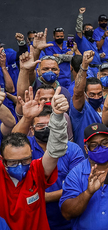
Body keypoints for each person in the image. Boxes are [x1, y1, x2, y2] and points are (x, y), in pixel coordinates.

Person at [12, 86, 84, 230]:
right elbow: (13, 141)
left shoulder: (72, 149)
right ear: (31, 130)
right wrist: (26, 118)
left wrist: (41, 197)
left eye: (49, 125)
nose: (46, 129)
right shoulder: (25, 147)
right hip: (32, 220)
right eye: (40, 126)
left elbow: (79, 185)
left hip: (66, 221)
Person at [0, 84, 69, 229]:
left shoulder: (36, 170)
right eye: (12, 162)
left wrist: (57, 117)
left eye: (25, 160)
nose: (20, 166)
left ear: (32, 155)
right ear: (2, 160)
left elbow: (55, 150)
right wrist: (26, 119)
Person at [15, 45, 71, 117]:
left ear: (59, 71)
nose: (50, 72)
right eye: (46, 69)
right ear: (38, 71)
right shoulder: (33, 85)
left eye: (54, 69)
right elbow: (21, 95)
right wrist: (24, 69)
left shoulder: (64, 92)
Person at [70, 51, 103, 153]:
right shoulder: (81, 110)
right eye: (92, 94)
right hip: (85, 158)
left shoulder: (107, 108)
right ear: (85, 95)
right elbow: (78, 93)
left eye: (99, 94)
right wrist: (84, 66)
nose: (96, 97)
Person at [75, 7, 102, 77]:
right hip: (88, 67)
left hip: (98, 68)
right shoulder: (81, 39)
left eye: (92, 29)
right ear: (83, 31)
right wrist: (80, 15)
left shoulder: (93, 41)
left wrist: (99, 55)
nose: (90, 31)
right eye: (88, 29)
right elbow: (78, 29)